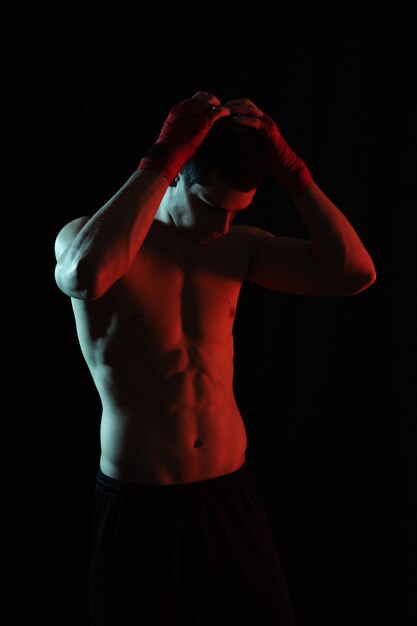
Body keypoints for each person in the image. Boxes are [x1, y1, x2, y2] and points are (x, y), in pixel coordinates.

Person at [54, 90, 376, 626]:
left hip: (230, 501)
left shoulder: (237, 248)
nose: (221, 227)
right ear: (176, 176)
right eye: (211, 207)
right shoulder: (92, 239)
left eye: (236, 213)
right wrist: (161, 157)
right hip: (141, 509)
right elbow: (83, 278)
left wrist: (296, 174)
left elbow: (354, 274)